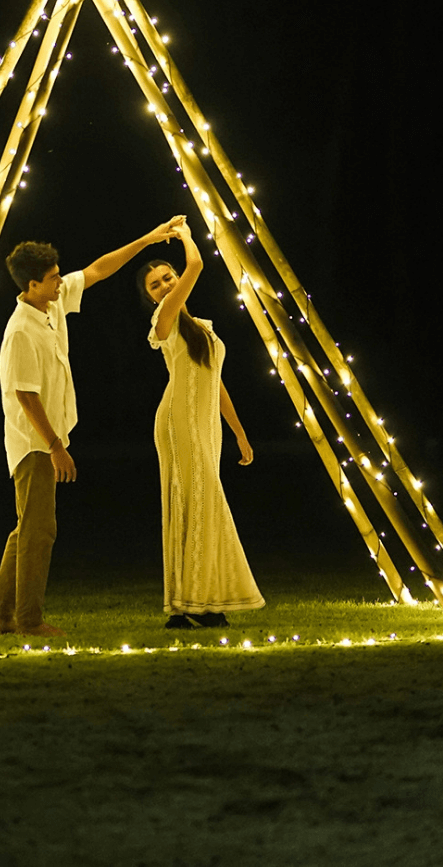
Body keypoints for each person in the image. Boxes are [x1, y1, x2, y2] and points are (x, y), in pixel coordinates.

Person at [0, 219, 184, 638]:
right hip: (33, 442)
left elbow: (98, 269)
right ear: (33, 285)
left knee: (27, 529)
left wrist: (148, 238)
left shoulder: (51, 305)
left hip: (46, 438)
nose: (61, 282)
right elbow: (25, 395)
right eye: (53, 278)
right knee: (39, 531)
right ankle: (28, 619)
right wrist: (55, 446)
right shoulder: (21, 330)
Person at [137, 218, 265, 629]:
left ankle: (190, 604)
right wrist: (186, 236)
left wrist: (239, 432)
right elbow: (196, 266)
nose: (164, 286)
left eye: (167, 278)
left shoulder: (200, 328)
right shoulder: (165, 317)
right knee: (195, 505)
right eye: (155, 284)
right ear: (150, 297)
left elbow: (216, 382)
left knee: (200, 507)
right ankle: (195, 604)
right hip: (179, 422)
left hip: (205, 424)